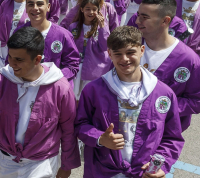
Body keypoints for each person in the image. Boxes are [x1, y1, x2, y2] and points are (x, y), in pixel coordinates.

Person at [0, 26, 81, 178]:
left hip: (42, 164)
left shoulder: (60, 88)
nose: (12, 64)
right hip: (6, 162)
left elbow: (69, 130)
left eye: (19, 60)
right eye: (10, 57)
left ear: (37, 59)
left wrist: (67, 164)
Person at [75, 26, 184, 177]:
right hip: (102, 171)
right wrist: (100, 138)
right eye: (118, 54)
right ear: (109, 54)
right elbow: (80, 125)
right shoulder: (93, 90)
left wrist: (162, 165)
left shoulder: (163, 93)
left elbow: (172, 138)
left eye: (131, 52)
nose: (124, 59)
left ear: (142, 50)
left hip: (143, 172)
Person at [135, 0, 200, 131]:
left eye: (144, 17)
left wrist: (159, 106)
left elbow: (198, 101)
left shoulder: (188, 60)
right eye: (138, 15)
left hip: (161, 136)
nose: (137, 21)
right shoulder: (129, 49)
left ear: (165, 21)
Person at [68, 0, 111, 100]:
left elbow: (105, 46)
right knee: (73, 95)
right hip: (76, 66)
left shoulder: (101, 27)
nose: (91, 12)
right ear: (82, 9)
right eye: (87, 9)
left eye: (94, 9)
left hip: (93, 66)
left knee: (88, 96)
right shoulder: (73, 27)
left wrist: (102, 27)